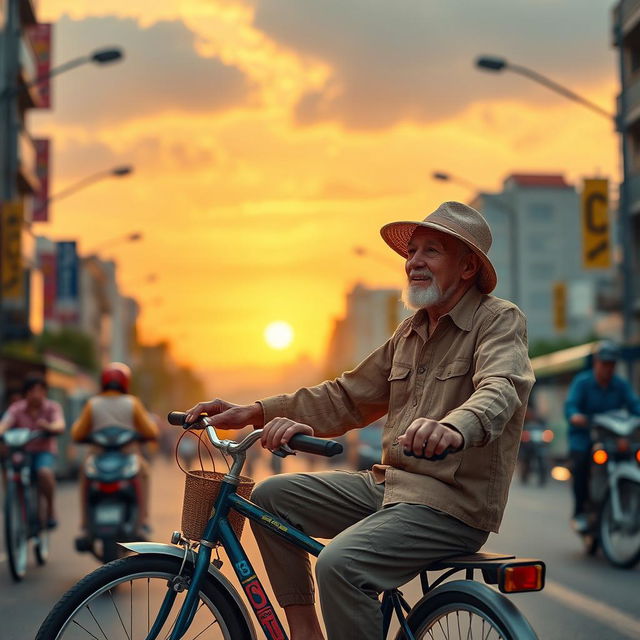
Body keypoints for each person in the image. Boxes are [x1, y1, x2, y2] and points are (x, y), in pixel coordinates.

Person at [186, 201, 534, 640]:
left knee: (340, 566)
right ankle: (305, 632)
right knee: (271, 496)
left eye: (431, 252)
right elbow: (346, 397)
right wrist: (254, 411)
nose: (414, 263)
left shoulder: (498, 320)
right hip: (389, 488)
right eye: (411, 253)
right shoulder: (409, 332)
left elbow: (502, 387)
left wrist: (453, 427)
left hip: (449, 505)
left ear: (467, 268)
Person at [71, 362, 158, 536]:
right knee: (143, 472)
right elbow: (150, 431)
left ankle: (85, 523)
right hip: (127, 452)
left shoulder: (93, 404)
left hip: (98, 453)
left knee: (85, 474)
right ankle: (142, 521)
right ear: (126, 382)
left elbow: (77, 433)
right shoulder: (132, 403)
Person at [564, 341, 640, 532]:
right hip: (585, 438)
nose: (608, 368)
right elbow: (571, 406)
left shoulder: (621, 385)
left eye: (612, 364)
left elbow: (634, 405)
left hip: (613, 439)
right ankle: (580, 511)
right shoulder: (582, 382)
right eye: (605, 363)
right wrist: (575, 416)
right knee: (580, 465)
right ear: (596, 362)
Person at [0, 374, 65, 528]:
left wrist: (49, 427)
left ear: (45, 393)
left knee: (44, 473)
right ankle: (20, 510)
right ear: (26, 393)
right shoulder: (16, 408)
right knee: (13, 475)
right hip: (23, 452)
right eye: (32, 391)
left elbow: (59, 424)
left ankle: (50, 509)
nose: (36, 395)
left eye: (40, 391)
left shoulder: (52, 407)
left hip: (44, 452)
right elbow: (5, 423)